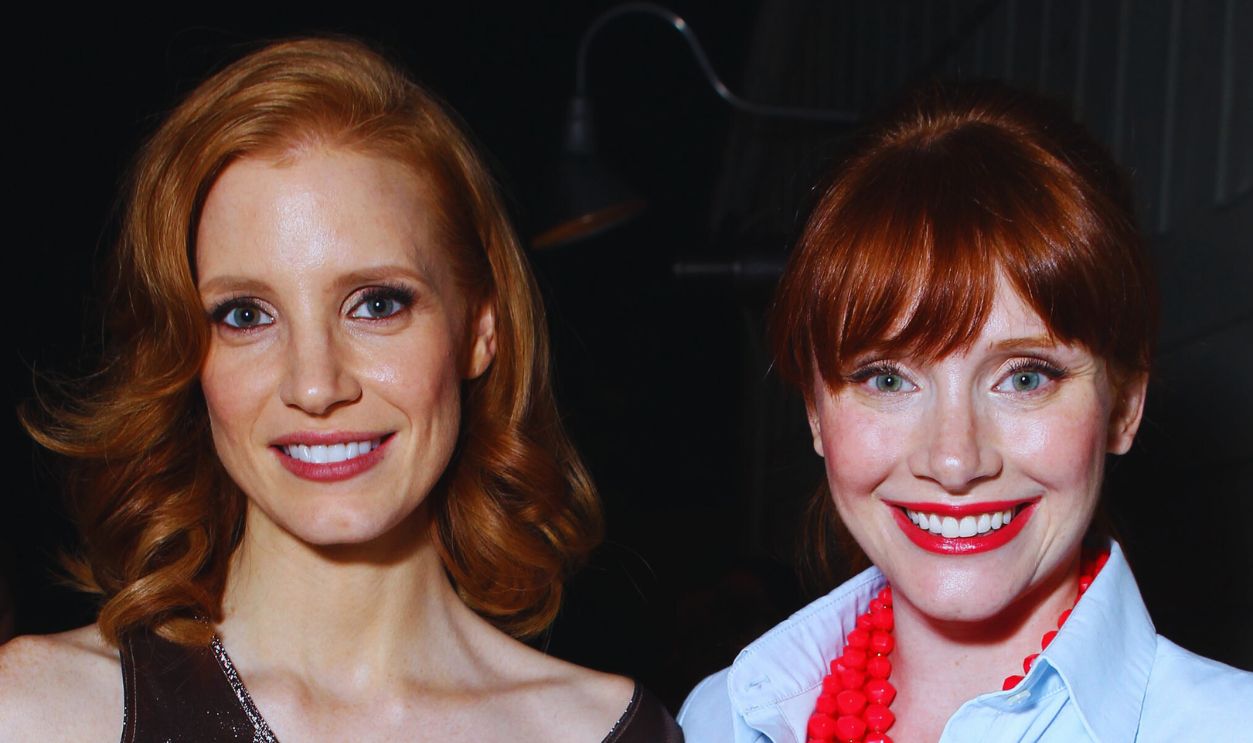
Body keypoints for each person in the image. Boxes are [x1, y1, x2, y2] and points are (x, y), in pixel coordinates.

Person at [0, 37, 681, 742]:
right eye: (245, 315)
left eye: (377, 303)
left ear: (480, 328)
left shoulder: (610, 730)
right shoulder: (41, 712)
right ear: (184, 354)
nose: (316, 385)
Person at [678, 84, 1253, 742]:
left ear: (1122, 406)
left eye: (1024, 376)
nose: (953, 459)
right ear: (814, 410)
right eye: (887, 377)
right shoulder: (720, 717)